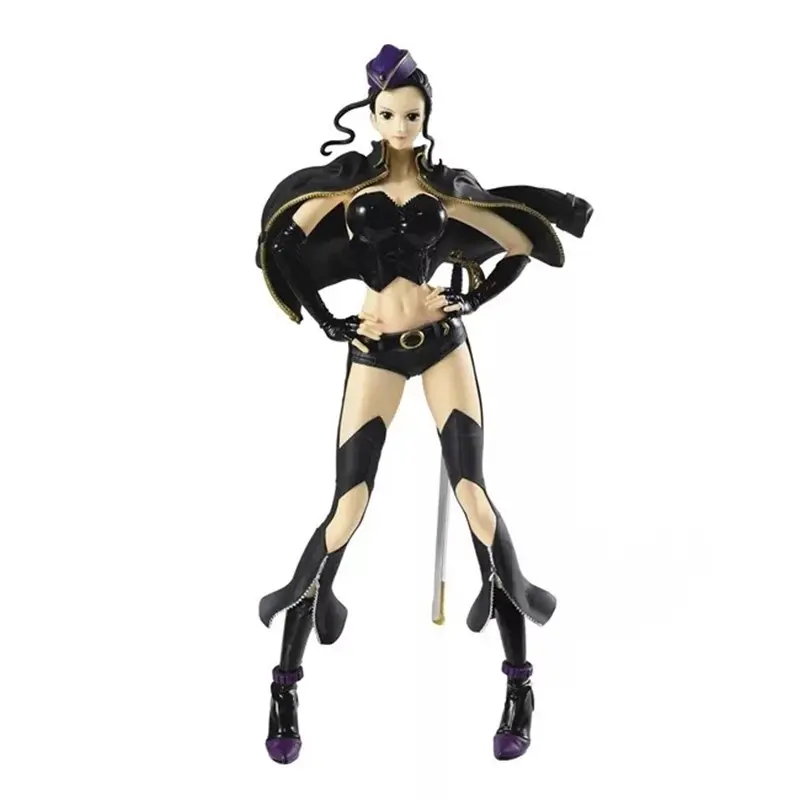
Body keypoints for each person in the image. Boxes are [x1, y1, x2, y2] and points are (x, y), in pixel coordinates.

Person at [254, 44, 593, 764]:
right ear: (372, 116)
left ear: (426, 115)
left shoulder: (447, 190)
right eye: (389, 114)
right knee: (347, 508)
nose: (401, 126)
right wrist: (329, 320)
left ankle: (520, 684)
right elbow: (281, 244)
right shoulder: (349, 185)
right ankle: (284, 686)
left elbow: (519, 241)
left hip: (441, 347)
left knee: (475, 498)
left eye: (412, 114)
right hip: (373, 351)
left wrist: (472, 298)